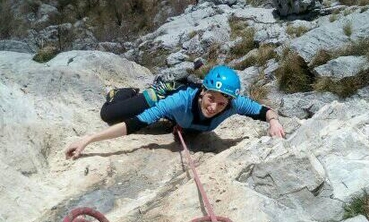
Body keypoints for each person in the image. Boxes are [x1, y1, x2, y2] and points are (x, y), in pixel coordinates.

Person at [65, 65, 285, 160]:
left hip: (178, 118)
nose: (214, 108)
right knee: (110, 114)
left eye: (221, 104)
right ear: (202, 92)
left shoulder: (234, 104)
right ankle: (124, 92)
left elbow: (265, 111)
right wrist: (90, 139)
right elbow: (136, 124)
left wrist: (274, 123)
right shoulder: (178, 101)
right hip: (163, 94)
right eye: (211, 99)